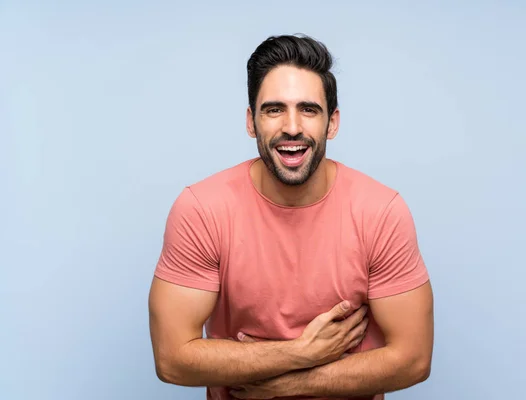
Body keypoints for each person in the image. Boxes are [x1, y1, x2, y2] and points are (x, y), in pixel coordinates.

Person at [148, 34, 434, 400]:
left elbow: (414, 360)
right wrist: (301, 352)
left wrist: (292, 383)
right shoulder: (201, 210)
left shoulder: (381, 212)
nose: (293, 126)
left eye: (309, 109)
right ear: (252, 122)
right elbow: (171, 359)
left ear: (332, 123)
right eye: (274, 109)